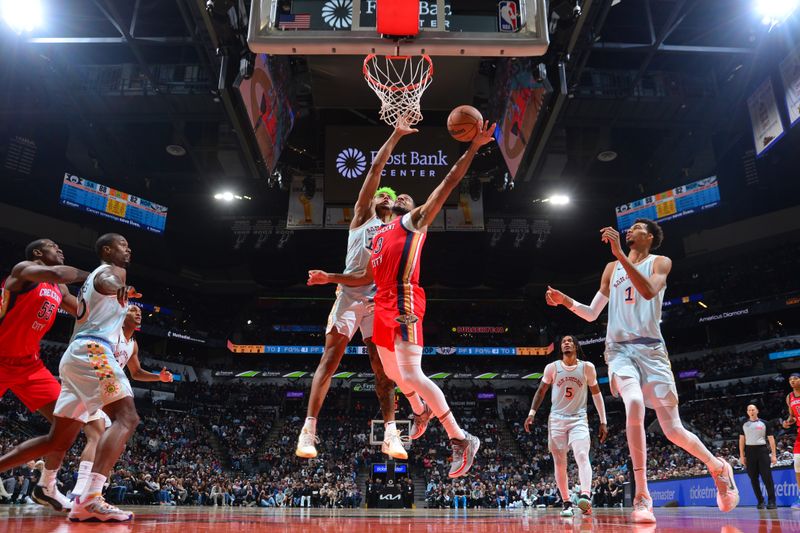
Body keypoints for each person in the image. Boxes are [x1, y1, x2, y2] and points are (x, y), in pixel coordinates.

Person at [309, 120, 496, 477]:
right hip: (380, 304)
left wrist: (472, 148)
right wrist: (334, 280)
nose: (403, 198)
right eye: (400, 197)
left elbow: (449, 183)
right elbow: (364, 274)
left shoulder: (414, 222)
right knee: (394, 374)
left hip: (405, 298)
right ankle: (420, 409)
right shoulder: (377, 235)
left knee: (411, 372)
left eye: (407, 198)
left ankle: (460, 437)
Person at [545, 219, 738, 523]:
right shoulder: (612, 268)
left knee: (673, 430)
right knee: (633, 403)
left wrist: (621, 255)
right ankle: (642, 497)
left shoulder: (660, 262)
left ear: (649, 236)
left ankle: (718, 467)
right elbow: (593, 313)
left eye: (636, 227)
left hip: (652, 351)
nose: (629, 230)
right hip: (619, 350)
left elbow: (648, 291)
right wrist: (565, 301)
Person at [297, 124, 418, 461]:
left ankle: (391, 434)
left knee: (384, 372)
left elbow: (372, 271)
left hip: (377, 301)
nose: (384, 195)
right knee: (331, 359)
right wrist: (396, 135)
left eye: (389, 196)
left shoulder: (394, 230)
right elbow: (377, 168)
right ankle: (309, 430)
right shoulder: (363, 217)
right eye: (381, 193)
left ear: (394, 207)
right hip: (350, 297)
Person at [50, 233, 141, 521]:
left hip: (76, 355)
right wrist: (121, 289)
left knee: (58, 437)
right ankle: (91, 496)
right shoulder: (107, 274)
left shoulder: (95, 278)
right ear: (107, 249)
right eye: (123, 245)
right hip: (93, 351)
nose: (129, 249)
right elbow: (110, 283)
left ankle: (66, 497)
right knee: (127, 418)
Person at [0, 238, 89, 512]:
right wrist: (99, 275)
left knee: (68, 422)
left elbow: (80, 310)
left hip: (29, 366)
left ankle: (46, 486)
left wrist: (112, 300)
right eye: (53, 246)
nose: (60, 249)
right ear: (38, 252)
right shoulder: (24, 270)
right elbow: (59, 272)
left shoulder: (56, 286)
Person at [69, 304, 172, 499]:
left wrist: (159, 378)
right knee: (105, 430)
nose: (138, 313)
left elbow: (136, 372)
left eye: (140, 312)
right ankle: (82, 490)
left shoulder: (133, 343)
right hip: (93, 377)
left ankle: (83, 489)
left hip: (107, 387)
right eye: (133, 310)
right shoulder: (109, 331)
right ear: (122, 315)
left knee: (107, 439)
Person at [524, 335, 607, 517]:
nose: (566, 343)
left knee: (582, 454)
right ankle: (567, 502)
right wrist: (531, 414)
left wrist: (603, 421)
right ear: (561, 348)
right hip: (557, 420)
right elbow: (541, 391)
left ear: (576, 346)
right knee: (560, 462)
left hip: (578, 418)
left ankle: (585, 496)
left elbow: (597, 395)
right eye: (563, 342)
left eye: (569, 341)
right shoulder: (552, 368)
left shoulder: (587, 367)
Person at [738, 404, 777, 509]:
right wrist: (742, 455)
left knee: (767, 477)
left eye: (753, 409)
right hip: (749, 452)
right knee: (753, 478)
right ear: (747, 412)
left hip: (762, 450)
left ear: (757, 411)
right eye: (749, 410)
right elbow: (741, 440)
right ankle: (760, 501)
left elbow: (771, 440)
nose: (751, 411)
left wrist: (774, 455)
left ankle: (772, 501)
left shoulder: (765, 423)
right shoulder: (744, 424)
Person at [781, 372, 800, 510]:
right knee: (798, 464)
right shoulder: (789, 397)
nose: (792, 381)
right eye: (790, 379)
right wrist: (788, 422)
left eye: (795, 379)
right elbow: (792, 416)